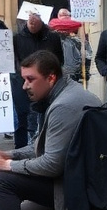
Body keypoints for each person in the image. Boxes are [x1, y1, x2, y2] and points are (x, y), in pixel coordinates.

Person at [0, 50, 101, 210]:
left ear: (51, 78)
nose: (24, 86)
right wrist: (9, 154)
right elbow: (42, 145)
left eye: (30, 79)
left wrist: (7, 164)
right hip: (80, 177)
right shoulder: (66, 92)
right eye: (24, 79)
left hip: (77, 189)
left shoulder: (63, 106)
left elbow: (51, 165)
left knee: (3, 181)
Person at [11, 11, 64, 149]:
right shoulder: (16, 38)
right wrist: (23, 75)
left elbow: (59, 60)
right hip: (21, 82)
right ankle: (20, 147)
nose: (32, 21)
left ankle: (41, 144)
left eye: (36, 18)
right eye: (30, 18)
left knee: (43, 113)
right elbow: (12, 59)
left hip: (45, 83)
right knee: (22, 114)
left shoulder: (52, 38)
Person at [51, 9, 92, 84]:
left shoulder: (77, 41)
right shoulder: (52, 39)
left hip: (74, 77)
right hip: (58, 75)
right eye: (61, 16)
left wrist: (84, 71)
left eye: (66, 16)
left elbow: (87, 56)